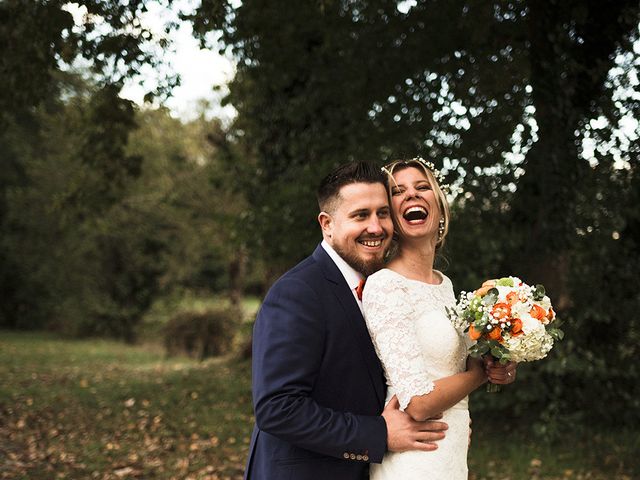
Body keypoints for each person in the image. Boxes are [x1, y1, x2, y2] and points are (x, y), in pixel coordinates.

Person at [244, 162, 449, 480]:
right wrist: (377, 434)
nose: (376, 227)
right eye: (360, 215)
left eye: (383, 213)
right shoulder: (298, 292)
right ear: (327, 224)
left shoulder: (382, 285)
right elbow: (277, 408)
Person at [362, 157, 517, 480]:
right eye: (399, 191)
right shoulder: (385, 285)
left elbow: (452, 366)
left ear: (439, 206)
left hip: (452, 449)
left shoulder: (444, 285)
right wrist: (480, 376)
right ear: (390, 213)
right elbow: (417, 403)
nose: (412, 196)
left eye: (422, 187)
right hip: (413, 457)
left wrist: (499, 365)